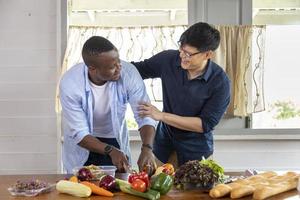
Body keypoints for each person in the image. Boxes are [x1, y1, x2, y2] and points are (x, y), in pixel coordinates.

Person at [133, 22, 230, 167]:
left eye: (189, 54)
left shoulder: (220, 82)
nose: (183, 56)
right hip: (163, 145)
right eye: (182, 50)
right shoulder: (168, 60)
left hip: (196, 151)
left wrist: (161, 115)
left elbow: (204, 124)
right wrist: (112, 65)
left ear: (208, 54)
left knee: (193, 190)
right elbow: (137, 70)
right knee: (157, 186)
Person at [59, 36, 157, 173]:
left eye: (118, 61)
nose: (119, 68)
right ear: (92, 69)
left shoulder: (129, 74)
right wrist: (110, 151)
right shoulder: (70, 83)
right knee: (82, 188)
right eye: (113, 66)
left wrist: (147, 148)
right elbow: (79, 132)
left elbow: (144, 114)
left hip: (115, 139)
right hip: (84, 144)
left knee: (119, 187)